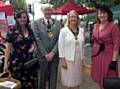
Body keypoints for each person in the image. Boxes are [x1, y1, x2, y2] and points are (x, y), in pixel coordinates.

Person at [3, 9, 37, 89]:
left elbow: (33, 41)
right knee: (17, 84)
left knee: (29, 83)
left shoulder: (30, 30)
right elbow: (8, 48)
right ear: (17, 19)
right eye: (20, 17)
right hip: (16, 62)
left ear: (27, 19)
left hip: (29, 62)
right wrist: (5, 64)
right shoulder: (12, 31)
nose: (23, 19)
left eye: (25, 17)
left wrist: (32, 47)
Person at [31, 3, 61, 89]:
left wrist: (53, 52)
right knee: (41, 77)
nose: (48, 12)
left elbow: (60, 39)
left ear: (52, 11)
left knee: (53, 77)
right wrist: (45, 54)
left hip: (54, 55)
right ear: (42, 11)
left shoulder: (58, 23)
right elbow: (37, 39)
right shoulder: (35, 23)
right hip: (41, 55)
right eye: (46, 10)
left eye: (49, 10)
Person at [91, 5, 120, 89]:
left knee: (108, 80)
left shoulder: (113, 26)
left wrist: (114, 61)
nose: (101, 15)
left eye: (104, 13)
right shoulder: (95, 25)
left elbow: (116, 44)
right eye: (99, 13)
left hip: (109, 56)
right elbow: (94, 39)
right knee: (100, 79)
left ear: (108, 14)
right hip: (97, 55)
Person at [58, 10, 85, 89]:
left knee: (77, 81)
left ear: (77, 18)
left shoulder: (81, 30)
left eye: (75, 17)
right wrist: (62, 60)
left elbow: (83, 46)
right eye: (71, 17)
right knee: (68, 82)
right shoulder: (63, 31)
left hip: (79, 59)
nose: (73, 18)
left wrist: (82, 60)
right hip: (68, 60)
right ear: (68, 18)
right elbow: (61, 46)